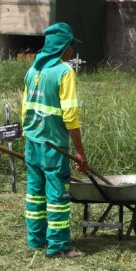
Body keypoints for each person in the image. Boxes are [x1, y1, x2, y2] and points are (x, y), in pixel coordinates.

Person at [22, 22, 89, 258]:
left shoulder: (33, 70)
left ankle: (35, 241)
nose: (72, 50)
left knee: (35, 192)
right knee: (57, 194)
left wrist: (28, 135)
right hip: (53, 145)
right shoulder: (63, 72)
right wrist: (80, 151)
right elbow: (70, 115)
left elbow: (25, 109)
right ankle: (58, 247)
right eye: (71, 45)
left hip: (32, 141)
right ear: (63, 46)